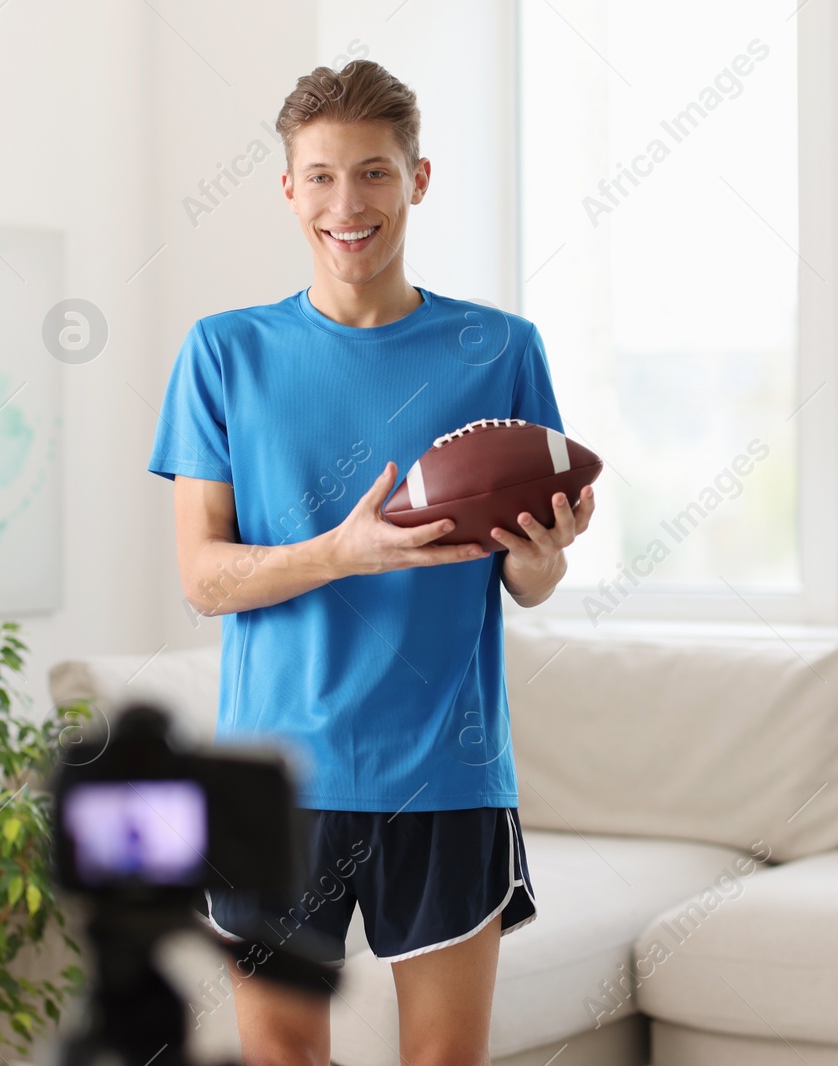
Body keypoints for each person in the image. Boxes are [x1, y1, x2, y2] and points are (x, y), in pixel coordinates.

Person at [146, 59, 594, 1065]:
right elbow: (202, 577)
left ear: (419, 179)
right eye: (321, 176)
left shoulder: (500, 347)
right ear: (288, 188)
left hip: (446, 771)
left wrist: (544, 558)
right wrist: (341, 552)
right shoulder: (224, 352)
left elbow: (522, 577)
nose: (348, 205)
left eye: (375, 174)